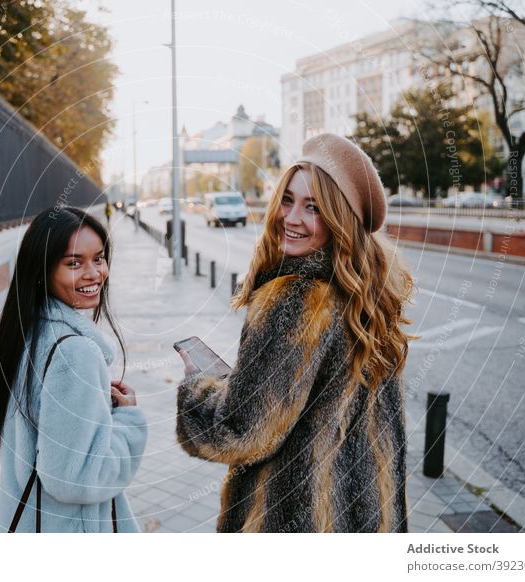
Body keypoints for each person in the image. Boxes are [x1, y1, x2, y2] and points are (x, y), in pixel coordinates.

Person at [175, 134, 414, 533]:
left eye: (313, 208)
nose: (292, 218)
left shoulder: (298, 299)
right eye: (287, 200)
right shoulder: (371, 297)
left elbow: (242, 431)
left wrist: (198, 387)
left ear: (340, 218)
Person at [0, 206, 147, 532]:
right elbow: (75, 480)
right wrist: (128, 421)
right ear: (42, 269)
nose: (94, 273)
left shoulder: (29, 331)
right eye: (74, 263)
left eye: (98, 258)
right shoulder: (73, 353)